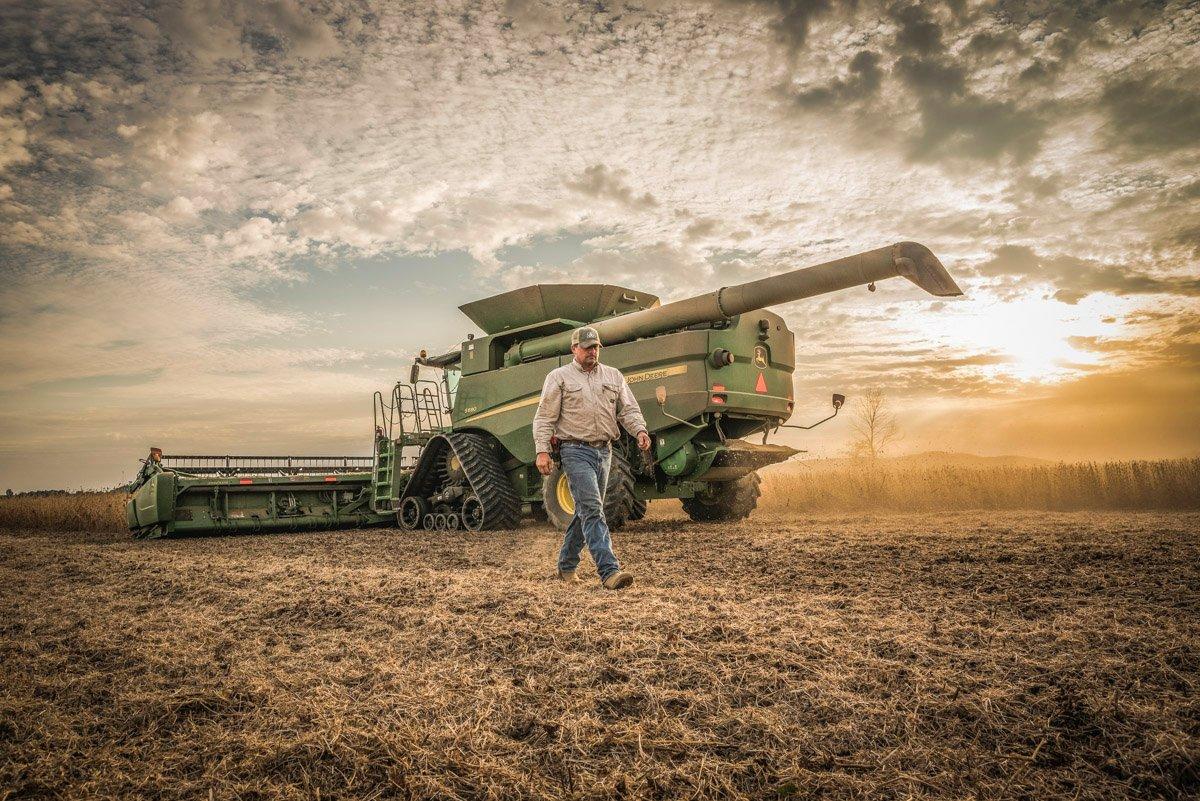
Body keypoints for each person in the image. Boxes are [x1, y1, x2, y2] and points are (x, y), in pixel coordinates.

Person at [533, 326, 651, 590]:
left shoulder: (613, 376)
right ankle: (609, 572)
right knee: (594, 510)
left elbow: (628, 409)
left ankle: (566, 565)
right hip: (574, 451)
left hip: (605, 451)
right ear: (574, 349)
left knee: (586, 511)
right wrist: (542, 449)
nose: (592, 352)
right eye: (587, 347)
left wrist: (639, 430)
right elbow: (545, 417)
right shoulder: (559, 377)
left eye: (595, 347)